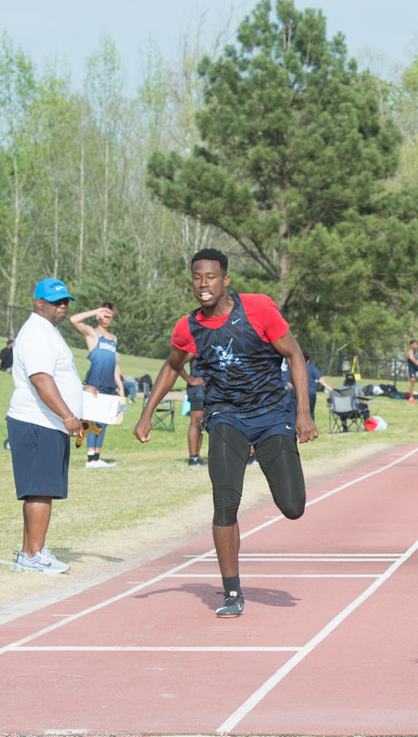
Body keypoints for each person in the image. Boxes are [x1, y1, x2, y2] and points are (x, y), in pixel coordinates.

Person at [135, 248, 317, 618]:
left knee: (293, 507)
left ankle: (275, 466)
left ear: (226, 280)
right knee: (224, 501)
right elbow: (172, 367)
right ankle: (232, 592)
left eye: (211, 277)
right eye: (197, 278)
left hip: (269, 414)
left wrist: (303, 412)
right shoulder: (189, 327)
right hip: (224, 415)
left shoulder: (259, 309)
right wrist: (146, 413)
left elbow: (295, 355)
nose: (203, 284)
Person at [5, 277, 83, 574]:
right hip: (39, 421)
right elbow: (41, 379)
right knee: (40, 490)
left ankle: (30, 552)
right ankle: (35, 554)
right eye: (55, 302)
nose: (61, 307)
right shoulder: (37, 332)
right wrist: (67, 415)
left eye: (65, 302)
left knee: (40, 490)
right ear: (39, 303)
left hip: (45, 422)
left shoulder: (46, 331)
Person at [70, 302, 123, 469]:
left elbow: (114, 365)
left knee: (103, 421)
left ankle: (97, 457)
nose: (106, 319)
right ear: (98, 316)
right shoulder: (93, 334)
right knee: (92, 420)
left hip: (109, 385)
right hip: (94, 384)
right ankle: (90, 458)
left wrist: (120, 387)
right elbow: (74, 319)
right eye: (104, 315)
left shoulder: (114, 339)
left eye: (109, 316)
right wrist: (95, 311)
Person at [180, 352, 207, 466]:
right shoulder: (195, 347)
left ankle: (197, 456)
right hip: (197, 391)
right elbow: (177, 364)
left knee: (202, 423)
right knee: (196, 421)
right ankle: (193, 457)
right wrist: (190, 380)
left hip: (208, 389)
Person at [303, 351, 334, 415]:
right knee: (310, 413)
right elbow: (319, 378)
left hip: (298, 393)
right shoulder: (311, 367)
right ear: (308, 360)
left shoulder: (295, 368)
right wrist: (327, 387)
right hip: (310, 393)